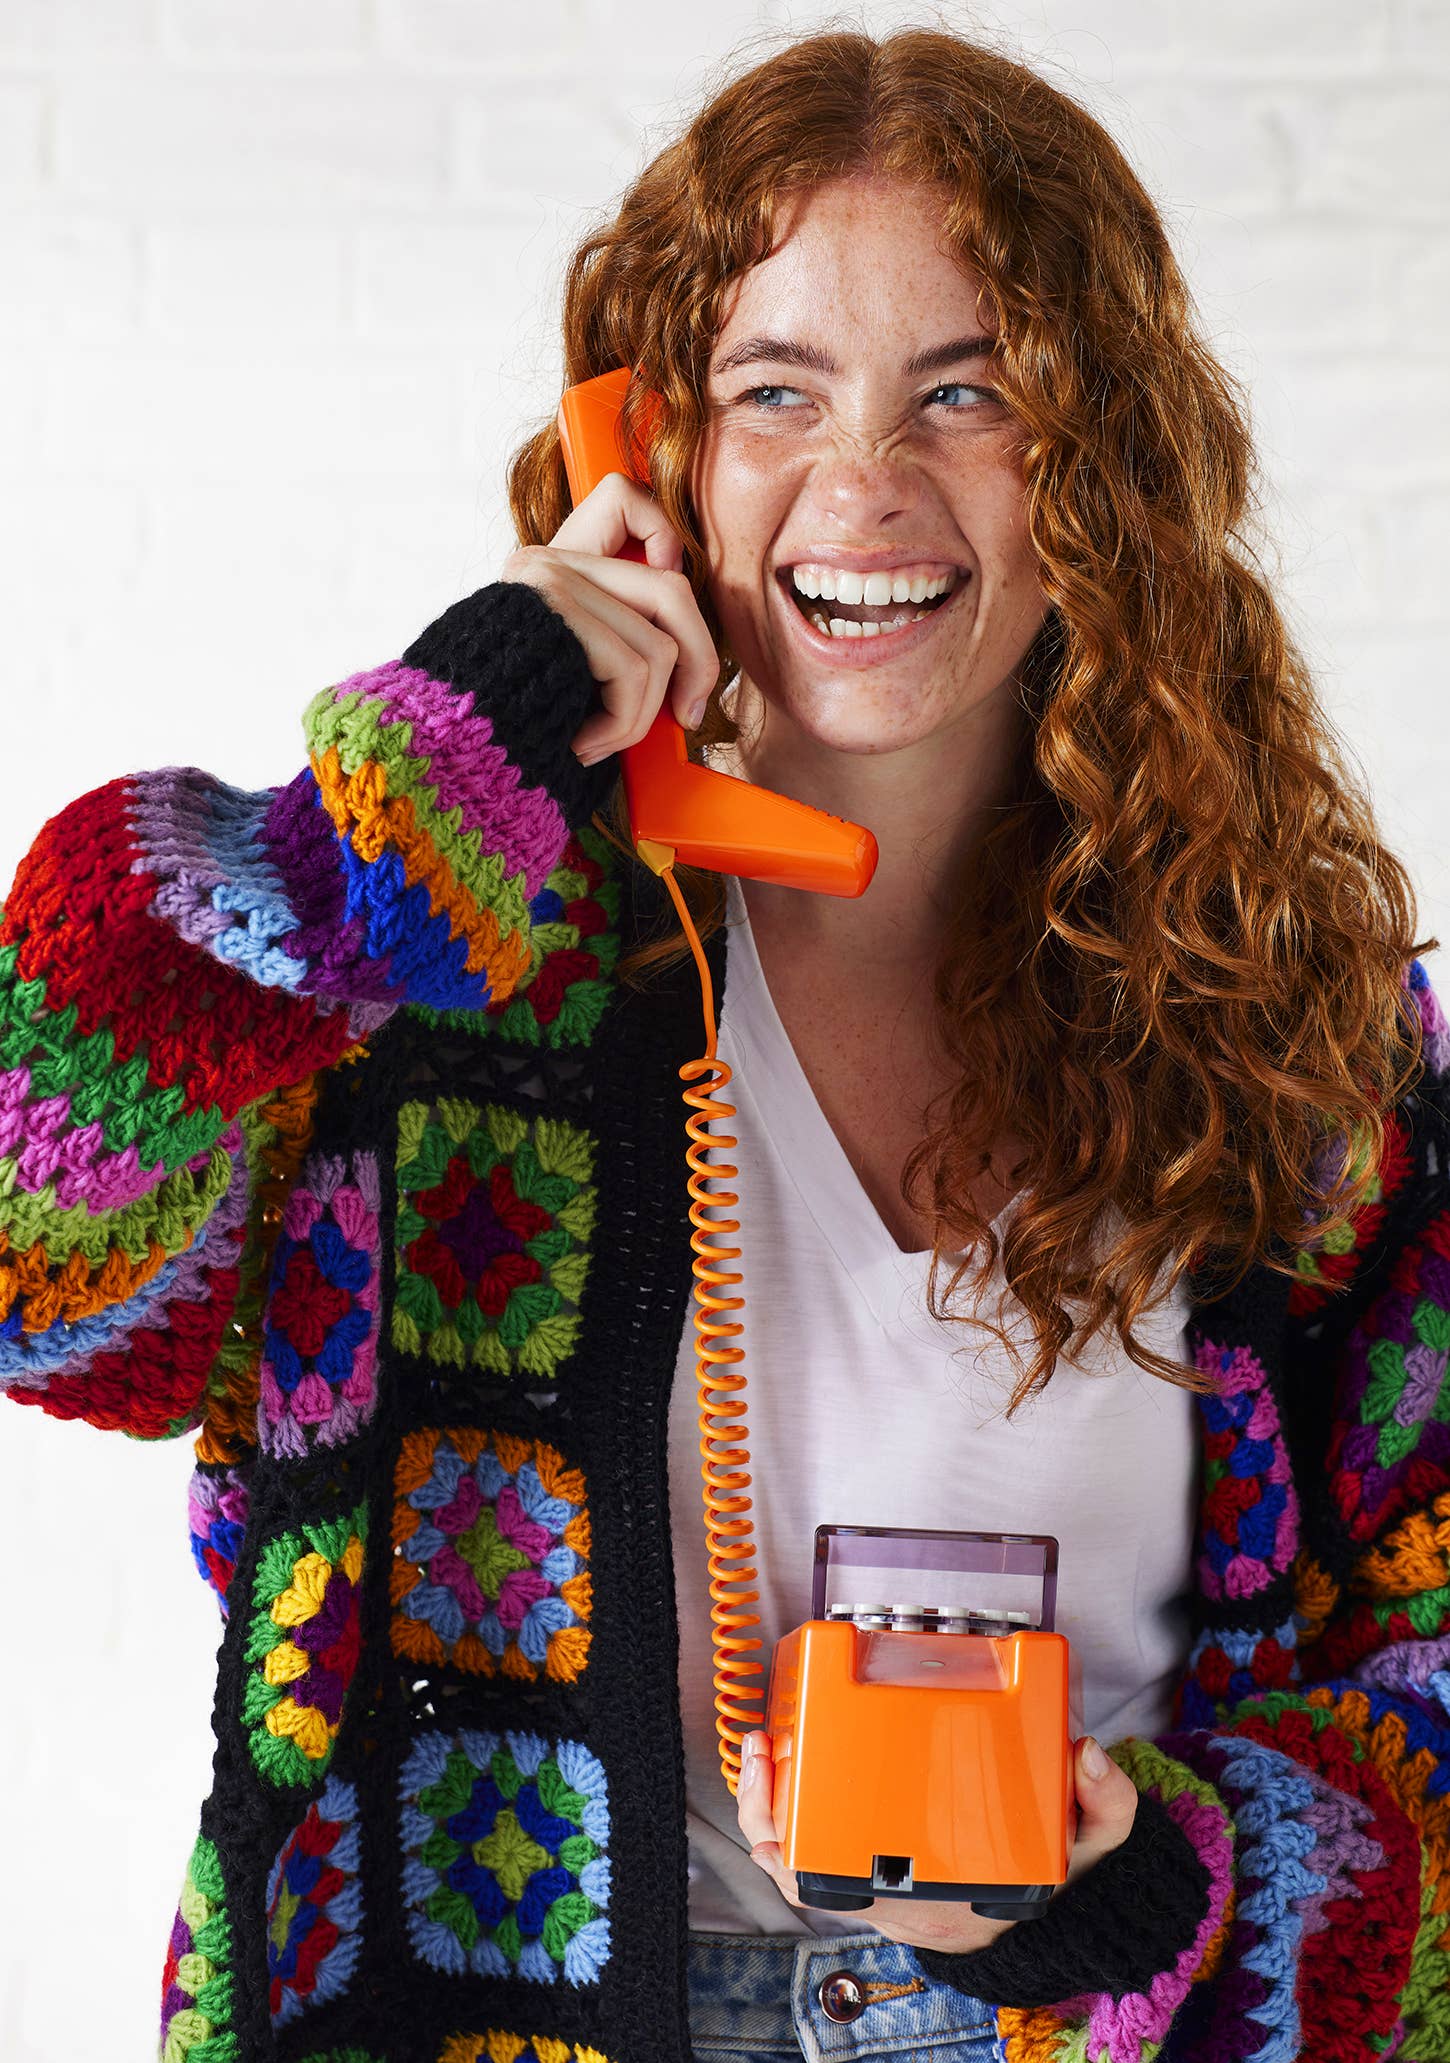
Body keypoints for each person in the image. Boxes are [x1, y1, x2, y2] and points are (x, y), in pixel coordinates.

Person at [3, 24, 1447, 2063]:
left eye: (971, 391)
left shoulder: (1278, 1013)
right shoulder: (442, 964)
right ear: (648, 453)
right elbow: (30, 1263)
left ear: (1097, 458)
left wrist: (1145, 1895)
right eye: (775, 390)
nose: (866, 484)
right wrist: (405, 805)